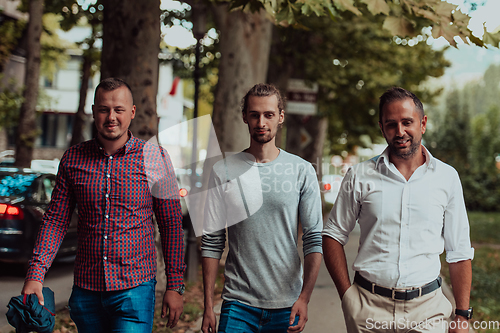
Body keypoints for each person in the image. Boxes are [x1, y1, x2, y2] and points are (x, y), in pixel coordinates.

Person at [21, 78, 186, 333]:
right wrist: (35, 274)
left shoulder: (155, 157)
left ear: (131, 112)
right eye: (104, 109)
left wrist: (175, 286)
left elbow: (171, 225)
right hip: (86, 291)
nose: (111, 117)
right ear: (94, 111)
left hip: (135, 289)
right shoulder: (73, 158)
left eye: (119, 110)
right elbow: (55, 220)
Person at [323, 87, 474, 333]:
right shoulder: (360, 175)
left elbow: (459, 251)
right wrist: (347, 296)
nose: (400, 132)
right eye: (391, 124)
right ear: (382, 127)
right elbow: (332, 235)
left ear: (422, 123)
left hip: (428, 309)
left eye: (407, 122)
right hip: (368, 308)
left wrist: (462, 314)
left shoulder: (447, 177)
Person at [201, 83, 323, 333]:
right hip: (237, 304)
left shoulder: (301, 170)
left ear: (280, 117)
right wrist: (207, 306)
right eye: (254, 114)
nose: (261, 122)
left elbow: (313, 239)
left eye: (268, 114)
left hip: (286, 304)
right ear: (244, 116)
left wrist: (304, 298)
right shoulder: (223, 170)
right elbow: (212, 241)